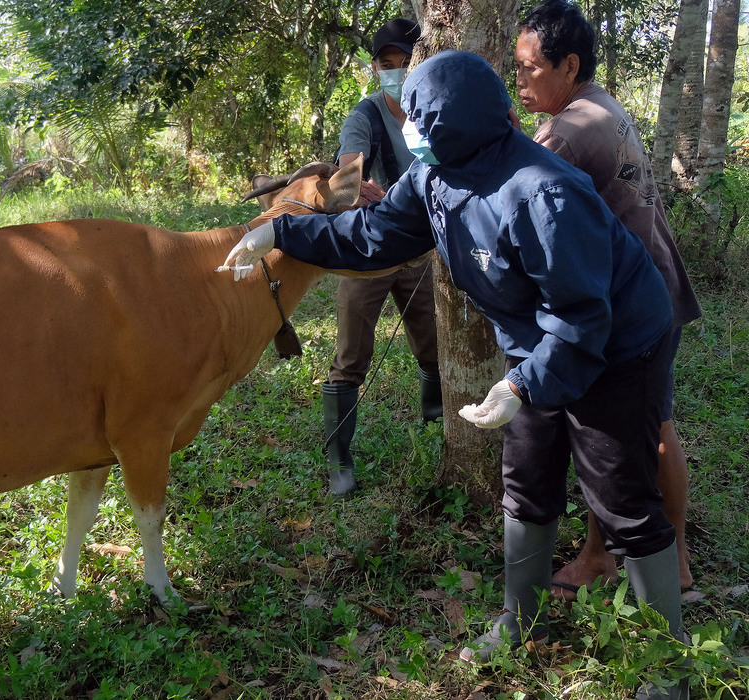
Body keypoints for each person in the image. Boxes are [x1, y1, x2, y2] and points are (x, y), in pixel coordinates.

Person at [222, 50, 688, 699]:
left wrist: (522, 385)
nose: (406, 125)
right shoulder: (436, 172)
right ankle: (518, 619)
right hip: (535, 346)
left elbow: (583, 316)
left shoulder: (541, 191)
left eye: (417, 114)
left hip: (614, 348)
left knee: (622, 499)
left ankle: (670, 667)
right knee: (525, 481)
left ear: (448, 120)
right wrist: (281, 233)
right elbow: (373, 233)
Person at [514, 0, 701, 602]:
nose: (520, 80)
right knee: (651, 425)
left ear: (569, 65)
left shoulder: (565, 133)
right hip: (658, 288)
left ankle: (613, 557)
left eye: (530, 68)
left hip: (628, 306)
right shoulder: (602, 104)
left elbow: (514, 197)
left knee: (619, 435)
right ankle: (673, 560)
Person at [323, 18, 441, 497]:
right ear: (374, 68)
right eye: (386, 63)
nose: (395, 71)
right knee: (350, 356)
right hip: (368, 252)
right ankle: (339, 461)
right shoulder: (365, 115)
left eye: (404, 62)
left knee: (434, 346)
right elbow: (346, 172)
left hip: (422, 251)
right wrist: (352, 184)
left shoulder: (431, 112)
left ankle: (435, 425)